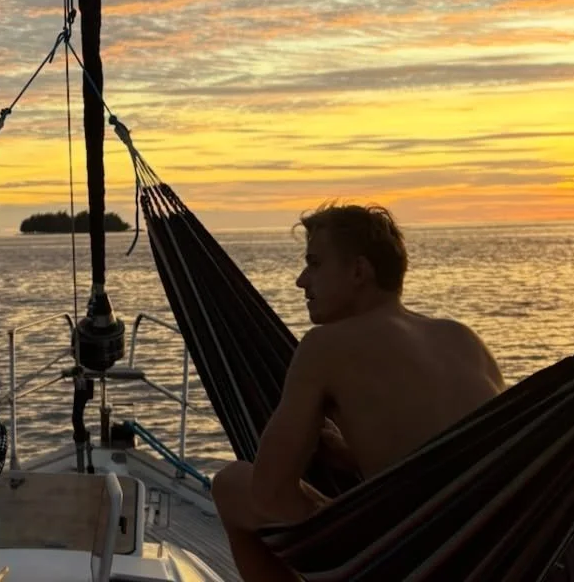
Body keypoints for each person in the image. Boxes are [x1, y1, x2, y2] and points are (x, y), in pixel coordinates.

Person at [211, 203, 505, 582]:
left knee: (232, 485)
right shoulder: (462, 338)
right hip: (495, 551)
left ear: (358, 271)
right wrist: (353, 459)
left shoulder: (325, 345)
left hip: (411, 558)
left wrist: (328, 506)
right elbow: (455, 460)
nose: (301, 280)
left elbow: (269, 493)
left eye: (315, 264)